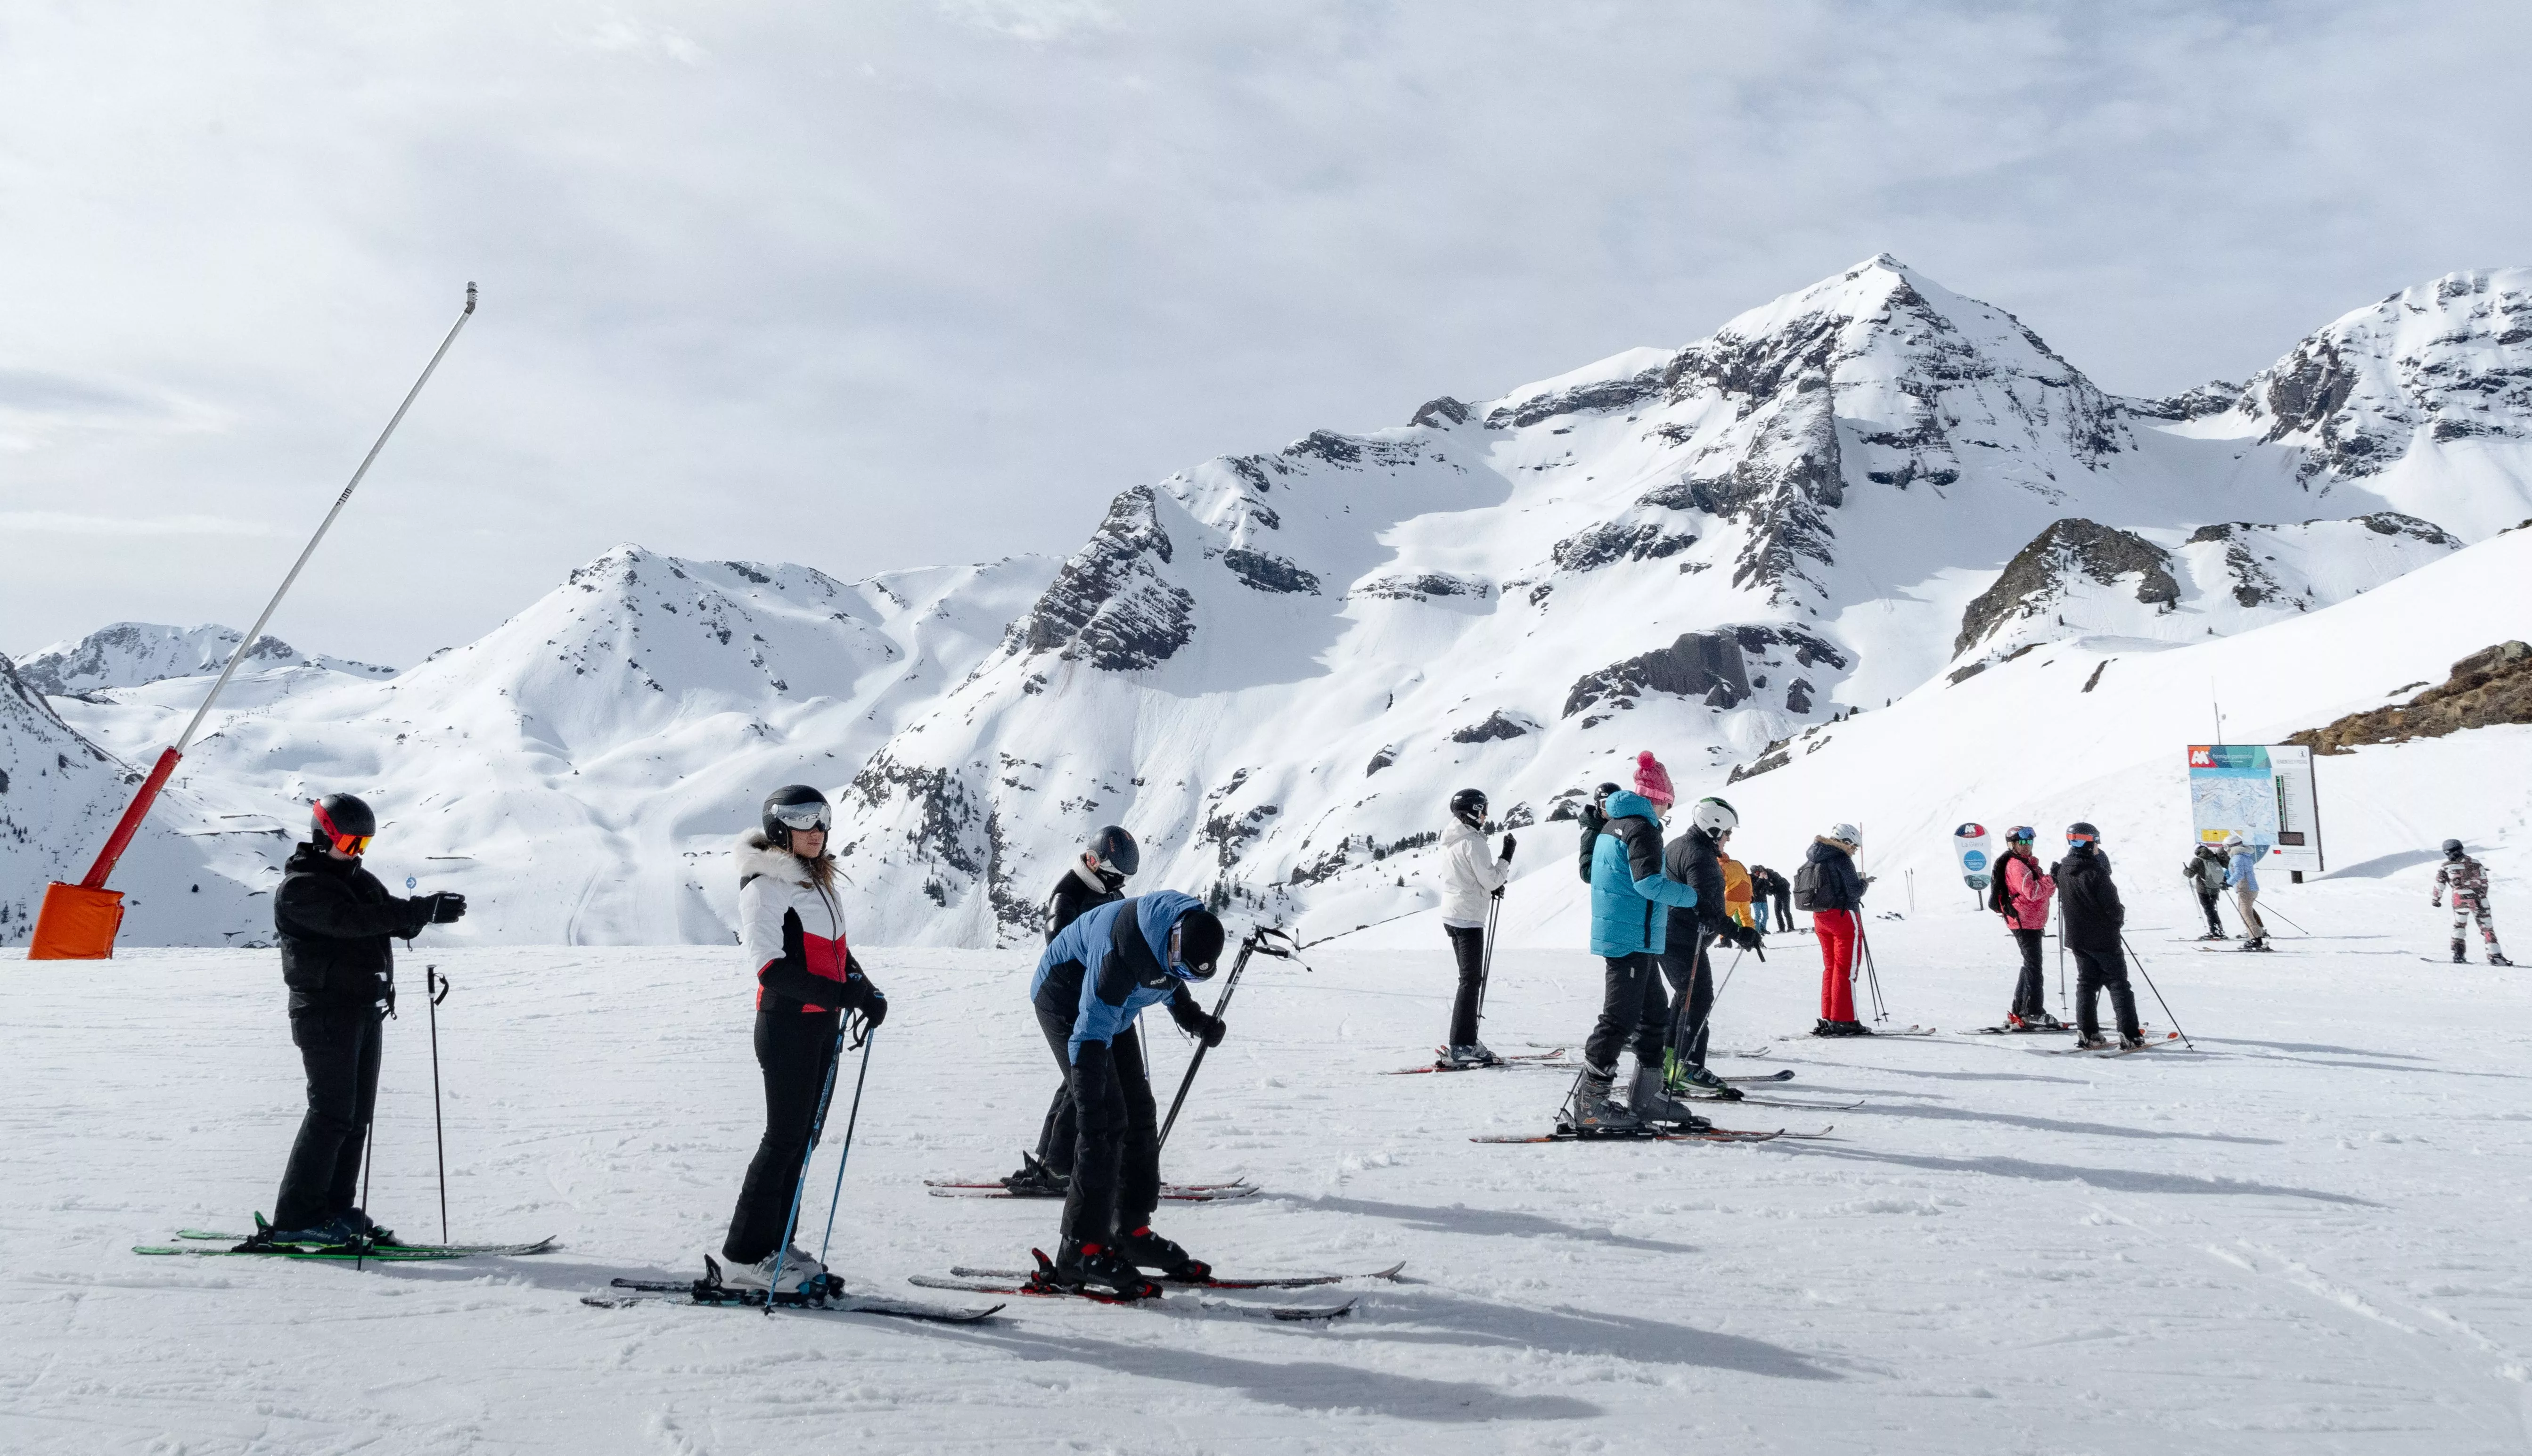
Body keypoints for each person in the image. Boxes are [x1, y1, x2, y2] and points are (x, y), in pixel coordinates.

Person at [254, 793, 467, 1248]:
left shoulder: (358, 879)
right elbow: (349, 922)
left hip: (364, 1009)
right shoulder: (301, 889)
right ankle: (296, 1218)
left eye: (364, 844)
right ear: (323, 837)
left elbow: (389, 918)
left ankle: (335, 1211)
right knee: (330, 1114)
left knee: (355, 1119)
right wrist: (414, 911)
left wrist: (426, 913)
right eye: (351, 843)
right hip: (324, 1013)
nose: (357, 852)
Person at [718, 785, 887, 1294]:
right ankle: (744, 1257)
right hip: (786, 1025)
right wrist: (841, 993)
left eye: (822, 819)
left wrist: (864, 990)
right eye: (802, 820)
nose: (816, 830)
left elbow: (836, 951)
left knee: (803, 1139)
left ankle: (777, 1242)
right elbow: (771, 969)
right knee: (783, 1138)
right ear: (778, 827)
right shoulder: (765, 887)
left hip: (821, 1024)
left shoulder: (816, 881)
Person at [1030, 890, 1227, 1297]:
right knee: (1104, 1121)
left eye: (1189, 974)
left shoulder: (1175, 940)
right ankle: (1079, 1250)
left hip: (1113, 1010)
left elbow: (1169, 981)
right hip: (1066, 998)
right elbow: (1089, 1032)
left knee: (1139, 1113)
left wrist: (1192, 1018)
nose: (1179, 974)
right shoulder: (1123, 953)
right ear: (1170, 939)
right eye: (1179, 967)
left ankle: (1130, 1231)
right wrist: (1087, 1102)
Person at [1564, 752, 1704, 1134]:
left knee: (1654, 1016)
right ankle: (1590, 1104)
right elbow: (1647, 884)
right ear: (1659, 799)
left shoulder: (1615, 823)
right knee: (1618, 1019)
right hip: (1629, 937)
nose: (1667, 811)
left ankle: (1646, 1096)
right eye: (1668, 803)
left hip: (1633, 935)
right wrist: (1694, 897)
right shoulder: (1641, 828)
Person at [1006, 826, 1141, 1194]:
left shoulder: (1108, 892)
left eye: (1123, 879)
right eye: (1114, 875)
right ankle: (1059, 1169)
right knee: (1087, 1077)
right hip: (1066, 1001)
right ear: (1094, 862)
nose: (1118, 883)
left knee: (1077, 1077)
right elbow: (1061, 950)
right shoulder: (1067, 897)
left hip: (1096, 1002)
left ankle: (1050, 1160)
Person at [1657, 799, 1765, 1105]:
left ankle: (1671, 1065)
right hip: (1684, 938)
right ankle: (1687, 1067)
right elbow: (1706, 909)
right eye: (1727, 832)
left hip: (1672, 933)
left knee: (1685, 997)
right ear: (1714, 828)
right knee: (1698, 997)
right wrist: (1740, 933)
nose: (1728, 838)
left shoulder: (1678, 845)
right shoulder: (1699, 856)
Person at [1435, 788, 1515, 1068]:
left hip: (1453, 914)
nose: (1485, 816)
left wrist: (1489, 887)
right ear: (1471, 812)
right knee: (1470, 981)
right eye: (1483, 810)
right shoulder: (1473, 842)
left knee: (1468, 980)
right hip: (1468, 919)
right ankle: (1462, 1044)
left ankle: (1466, 1040)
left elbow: (1468, 877)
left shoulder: (1452, 839)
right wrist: (1506, 857)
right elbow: (1491, 879)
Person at [2053, 822, 2143, 1051]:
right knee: (2118, 984)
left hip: (2077, 939)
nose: (2097, 848)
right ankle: (2130, 1035)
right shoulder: (2097, 873)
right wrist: (2119, 918)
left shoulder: (2063, 870)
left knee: (2086, 983)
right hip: (2103, 939)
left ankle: (2088, 1033)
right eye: (2096, 843)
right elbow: (2113, 909)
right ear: (2088, 844)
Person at [1989, 826, 2062, 1030]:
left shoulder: (2026, 863)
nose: (2027, 846)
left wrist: (2050, 880)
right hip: (2024, 921)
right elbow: (2033, 892)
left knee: (2031, 965)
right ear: (2012, 844)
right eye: (2022, 842)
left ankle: (2021, 1011)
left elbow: (2041, 890)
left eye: (2029, 842)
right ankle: (2032, 1013)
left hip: (2031, 921)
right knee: (2034, 967)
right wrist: (2051, 879)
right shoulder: (2017, 866)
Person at [1803, 825, 1870, 1035]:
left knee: (1831, 968)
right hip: (1843, 917)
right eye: (1854, 847)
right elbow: (1854, 892)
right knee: (1846, 970)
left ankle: (1829, 1017)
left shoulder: (1815, 856)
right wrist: (1864, 883)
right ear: (1846, 842)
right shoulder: (1841, 858)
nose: (1854, 851)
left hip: (1821, 917)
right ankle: (1845, 1020)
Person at [2434, 839, 2513, 965]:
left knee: (2459, 925)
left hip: (2460, 900)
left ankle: (2458, 954)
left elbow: (2439, 885)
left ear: (2446, 852)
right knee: (2487, 928)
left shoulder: (2446, 866)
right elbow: (2484, 882)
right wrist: (2481, 895)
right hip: (2480, 900)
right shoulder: (2476, 863)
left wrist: (2436, 899)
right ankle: (2495, 956)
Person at [2224, 834, 2271, 951]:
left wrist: (2228, 883)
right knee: (2248, 914)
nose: (2226, 850)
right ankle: (2256, 937)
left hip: (2245, 889)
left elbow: (2239, 874)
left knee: (2246, 915)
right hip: (2251, 888)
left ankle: (2256, 940)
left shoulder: (2237, 858)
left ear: (2232, 846)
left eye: (2226, 847)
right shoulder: (2245, 856)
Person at [2183, 844, 2229, 940]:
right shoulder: (2215, 858)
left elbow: (2190, 874)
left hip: (2203, 889)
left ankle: (2215, 932)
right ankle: (2219, 931)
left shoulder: (2197, 861)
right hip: (2215, 888)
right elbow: (2227, 865)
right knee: (2212, 910)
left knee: (2209, 910)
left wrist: (2185, 871)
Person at [1754, 863, 1795, 934]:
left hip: (1785, 894)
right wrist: (1766, 882)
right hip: (1777, 895)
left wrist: (1773, 884)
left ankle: (1791, 927)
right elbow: (1766, 891)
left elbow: (1783, 883)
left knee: (1786, 911)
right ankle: (1782, 928)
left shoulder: (1773, 874)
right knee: (1777, 912)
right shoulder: (1762, 879)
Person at [1722, 848, 1755, 931]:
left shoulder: (1721, 867)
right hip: (1746, 895)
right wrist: (1751, 894)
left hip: (1732, 895)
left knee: (1725, 918)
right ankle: (1752, 937)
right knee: (1747, 918)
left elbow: (1721, 883)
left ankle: (1725, 938)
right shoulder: (1737, 863)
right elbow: (1748, 877)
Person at [1748, 865, 1774, 934]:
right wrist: (1760, 879)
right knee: (1758, 915)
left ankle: (1763, 929)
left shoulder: (1761, 878)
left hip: (1764, 899)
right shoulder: (1751, 878)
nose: (1757, 873)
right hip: (1756, 900)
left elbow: (1766, 887)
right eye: (1756, 872)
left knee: (1766, 916)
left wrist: (1766, 879)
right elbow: (1754, 888)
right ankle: (1758, 930)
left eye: (1758, 872)